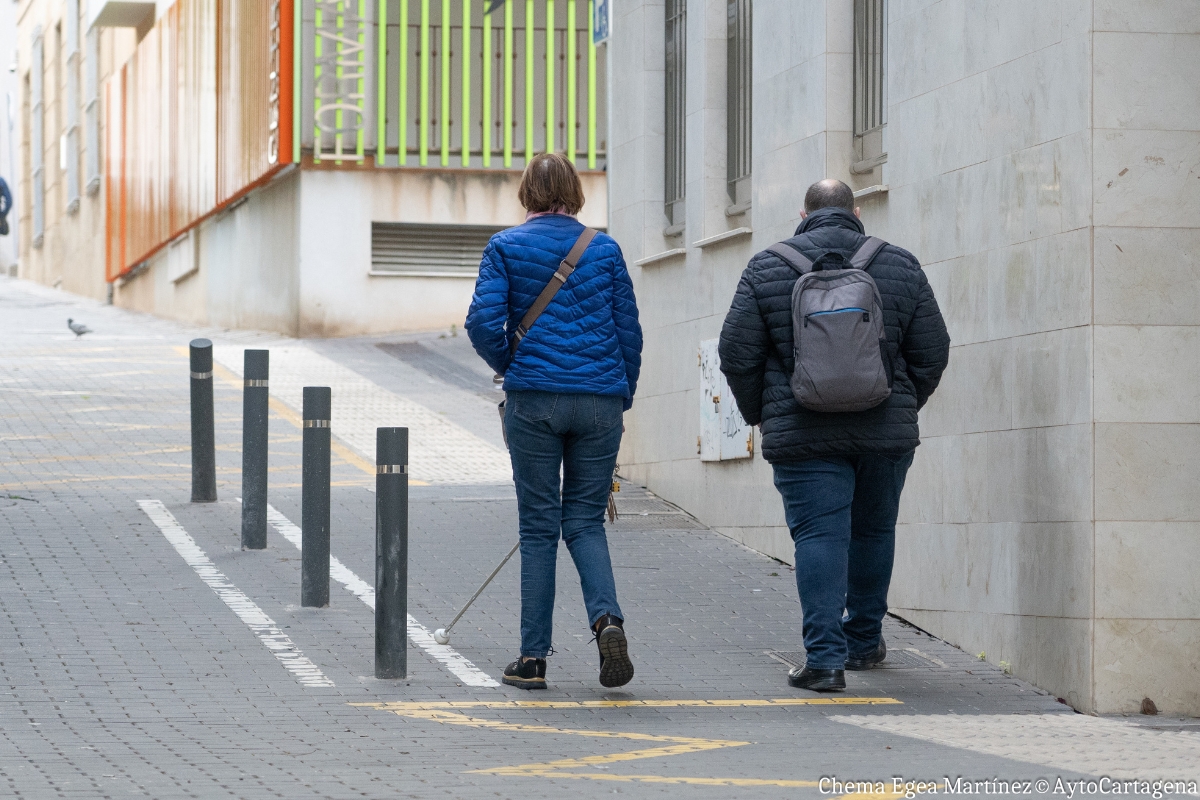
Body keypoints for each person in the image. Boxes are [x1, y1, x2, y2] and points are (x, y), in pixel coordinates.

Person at [718, 179, 950, 692]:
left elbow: (736, 352)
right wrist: (902, 403)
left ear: (803, 213)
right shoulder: (900, 264)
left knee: (819, 536)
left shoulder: (767, 266)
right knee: (873, 532)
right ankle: (864, 640)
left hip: (803, 433)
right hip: (884, 432)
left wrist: (764, 412)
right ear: (857, 211)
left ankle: (824, 660)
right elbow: (933, 350)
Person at [465, 153, 643, 690]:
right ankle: (607, 621)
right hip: (599, 404)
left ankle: (533, 658)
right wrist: (619, 395)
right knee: (585, 521)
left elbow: (480, 322)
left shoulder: (505, 246)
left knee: (539, 526)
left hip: (534, 401)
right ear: (574, 190)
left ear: (527, 194)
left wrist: (510, 365)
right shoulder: (604, 248)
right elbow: (629, 331)